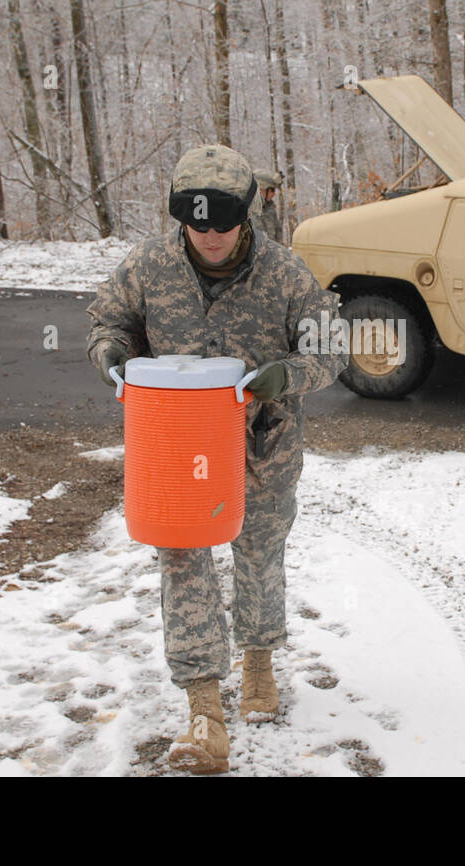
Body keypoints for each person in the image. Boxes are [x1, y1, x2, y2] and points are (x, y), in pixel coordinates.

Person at [85, 144, 346, 774]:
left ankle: (258, 662)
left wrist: (286, 375)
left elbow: (333, 349)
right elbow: (106, 322)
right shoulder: (148, 265)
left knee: (258, 557)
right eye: (195, 223)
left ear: (246, 214)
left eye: (222, 223)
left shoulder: (285, 274)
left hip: (263, 450)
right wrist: (111, 355)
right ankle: (204, 703)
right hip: (176, 451)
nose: (209, 236)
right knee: (182, 560)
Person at [249, 168, 285, 245]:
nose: (274, 194)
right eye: (272, 190)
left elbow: (278, 235)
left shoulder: (270, 209)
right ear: (260, 189)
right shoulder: (247, 212)